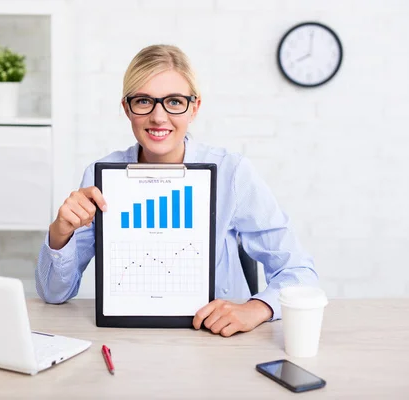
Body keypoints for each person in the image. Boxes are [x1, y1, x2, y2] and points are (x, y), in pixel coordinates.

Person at [35, 44, 319, 337]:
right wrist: (60, 233)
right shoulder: (99, 176)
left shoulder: (232, 172)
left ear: (194, 108)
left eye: (174, 102)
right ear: (127, 109)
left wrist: (256, 309)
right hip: (126, 339)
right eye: (144, 101)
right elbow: (53, 294)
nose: (159, 117)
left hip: (216, 340)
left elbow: (300, 273)